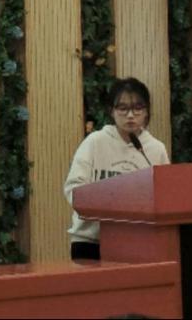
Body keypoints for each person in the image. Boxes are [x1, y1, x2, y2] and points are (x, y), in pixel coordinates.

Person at [64, 77, 170, 260]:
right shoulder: (95, 142)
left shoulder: (156, 149)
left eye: (137, 108)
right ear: (111, 111)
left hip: (139, 241)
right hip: (91, 241)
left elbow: (166, 196)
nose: (130, 115)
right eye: (123, 108)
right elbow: (73, 189)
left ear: (147, 111)